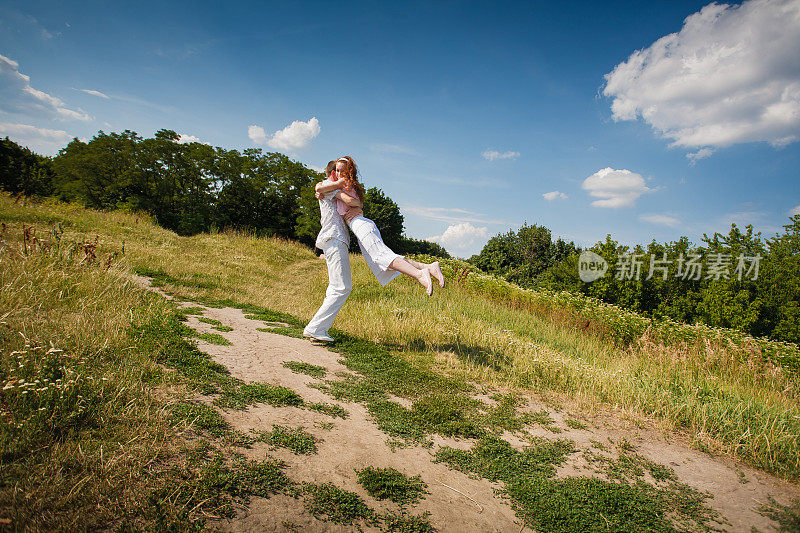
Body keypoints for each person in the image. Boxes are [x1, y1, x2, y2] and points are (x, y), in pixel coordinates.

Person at [315, 156, 444, 295]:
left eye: (342, 171)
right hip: (359, 225)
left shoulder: (343, 183)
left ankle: (420, 274)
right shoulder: (345, 184)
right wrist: (322, 191)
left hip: (360, 224)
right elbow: (322, 189)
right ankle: (428, 267)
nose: (339, 174)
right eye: (337, 171)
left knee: (382, 257)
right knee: (383, 257)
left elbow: (331, 192)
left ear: (348, 172)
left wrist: (325, 190)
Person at [302, 160, 352, 343]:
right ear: (332, 174)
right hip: (335, 238)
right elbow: (320, 186)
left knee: (335, 287)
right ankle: (315, 328)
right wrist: (340, 182)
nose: (342, 175)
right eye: (339, 172)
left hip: (334, 239)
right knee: (342, 287)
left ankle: (318, 329)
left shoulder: (328, 189)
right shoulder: (327, 186)